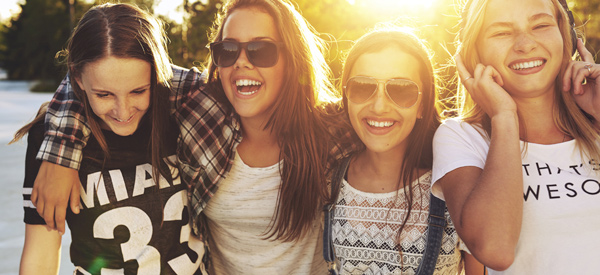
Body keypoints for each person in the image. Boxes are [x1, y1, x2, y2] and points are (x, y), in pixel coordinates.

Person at [31, 0, 351, 273]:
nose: (241, 61)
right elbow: (98, 77)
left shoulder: (331, 129)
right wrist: (61, 151)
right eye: (228, 50)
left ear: (293, 58)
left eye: (261, 50)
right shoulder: (201, 114)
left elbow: (381, 114)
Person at [16, 3, 206, 274]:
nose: (124, 111)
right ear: (78, 79)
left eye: (138, 91)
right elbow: (41, 255)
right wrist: (60, 154)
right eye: (104, 95)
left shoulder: (181, 116)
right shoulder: (51, 139)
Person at [431, 0, 600, 273]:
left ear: (565, 34)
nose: (525, 44)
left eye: (541, 25)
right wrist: (504, 117)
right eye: (501, 32)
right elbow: (495, 250)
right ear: (475, 50)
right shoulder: (461, 137)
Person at [325, 27, 483, 274]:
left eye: (400, 90)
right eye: (362, 87)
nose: (379, 106)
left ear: (422, 105)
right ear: (346, 97)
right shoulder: (330, 180)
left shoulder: (454, 185)